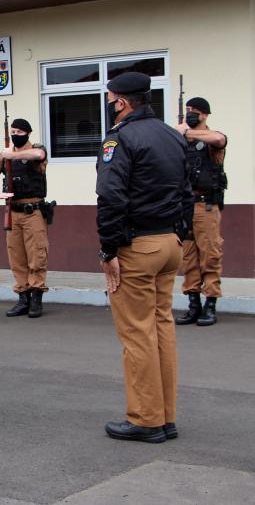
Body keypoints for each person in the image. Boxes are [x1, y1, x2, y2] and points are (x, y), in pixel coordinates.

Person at [96, 72, 193, 443]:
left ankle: (146, 419)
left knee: (137, 334)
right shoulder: (172, 134)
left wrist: (108, 250)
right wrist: (179, 233)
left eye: (110, 99)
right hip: (169, 241)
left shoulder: (119, 139)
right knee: (161, 328)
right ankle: (165, 416)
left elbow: (111, 197)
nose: (109, 106)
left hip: (137, 247)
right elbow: (187, 191)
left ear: (121, 101)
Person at [0, 118, 51, 317]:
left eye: (19, 132)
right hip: (13, 212)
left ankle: (36, 299)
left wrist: (10, 154)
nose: (15, 135)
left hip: (33, 212)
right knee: (16, 257)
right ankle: (23, 298)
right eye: (13, 131)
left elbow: (39, 154)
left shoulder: (35, 149)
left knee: (37, 255)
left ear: (28, 133)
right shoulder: (4, 156)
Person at [174, 97, 227, 327]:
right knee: (188, 257)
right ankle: (193, 304)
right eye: (187, 111)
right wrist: (178, 135)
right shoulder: (182, 139)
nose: (189, 114)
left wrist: (187, 133)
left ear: (204, 114)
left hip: (206, 206)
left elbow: (219, 138)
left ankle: (211, 304)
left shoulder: (210, 138)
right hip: (185, 206)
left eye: (194, 111)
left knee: (210, 255)